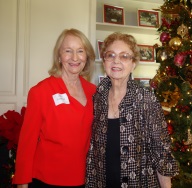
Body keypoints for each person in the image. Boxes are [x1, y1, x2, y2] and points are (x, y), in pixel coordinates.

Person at [85, 32, 179, 188]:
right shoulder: (97, 98)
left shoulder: (146, 99)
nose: (116, 61)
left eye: (124, 56)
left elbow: (161, 153)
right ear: (104, 62)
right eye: (111, 55)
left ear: (133, 63)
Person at [13, 28, 96, 188]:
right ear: (59, 56)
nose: (74, 57)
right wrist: (22, 181)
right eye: (68, 51)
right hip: (46, 179)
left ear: (87, 56)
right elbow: (27, 141)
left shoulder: (93, 91)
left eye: (80, 51)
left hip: (82, 178)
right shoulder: (41, 92)